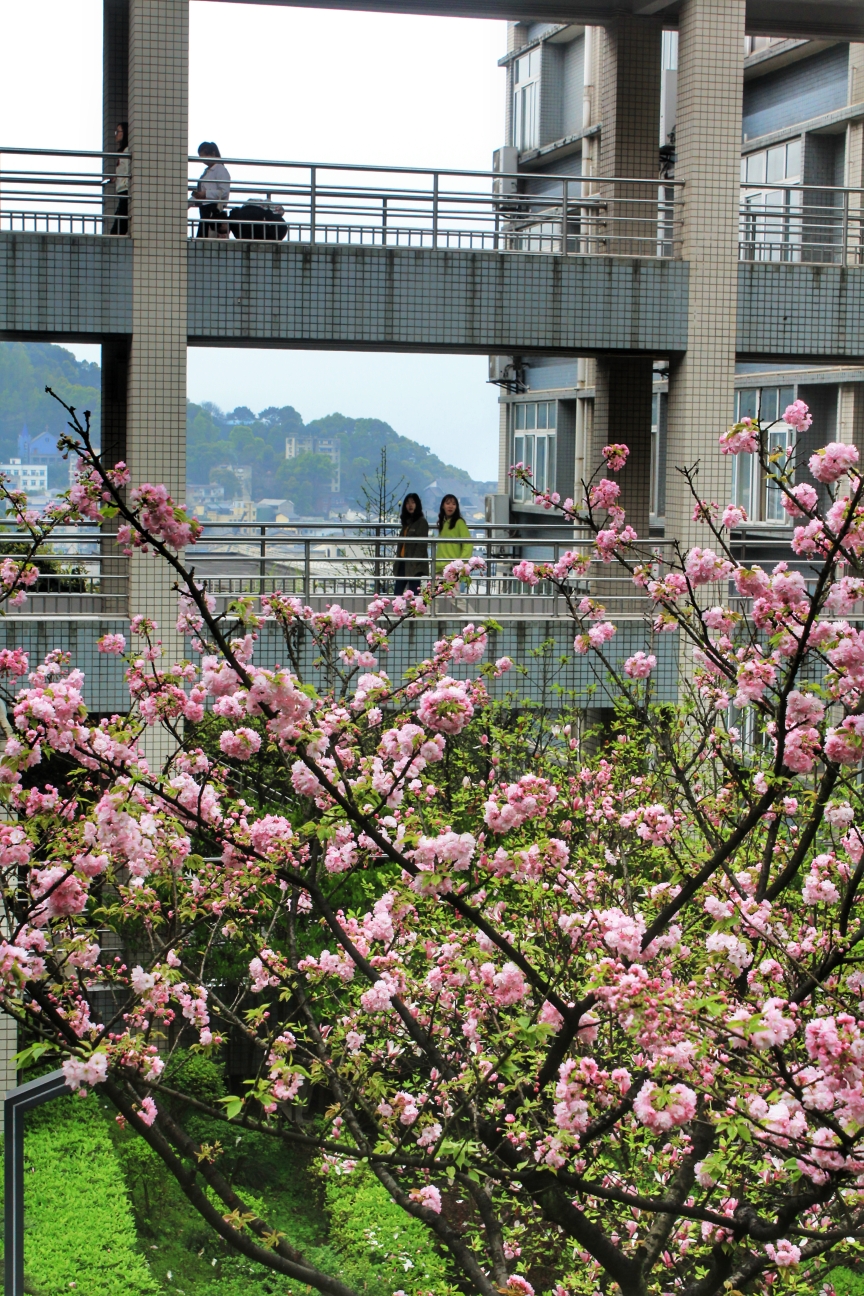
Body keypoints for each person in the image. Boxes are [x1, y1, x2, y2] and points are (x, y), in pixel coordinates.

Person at [190, 142, 230, 239]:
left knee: (207, 240)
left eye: (205, 156)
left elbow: (224, 191)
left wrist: (205, 194)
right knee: (202, 239)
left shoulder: (220, 169)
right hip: (205, 210)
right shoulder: (207, 171)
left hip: (214, 210)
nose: (204, 160)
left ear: (213, 153)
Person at [393, 493, 428, 596]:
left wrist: (414, 562)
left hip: (414, 565)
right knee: (397, 593)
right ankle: (398, 611)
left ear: (417, 504)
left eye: (413, 502)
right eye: (407, 503)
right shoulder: (406, 522)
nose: (410, 505)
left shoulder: (421, 522)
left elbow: (421, 546)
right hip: (402, 562)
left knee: (414, 594)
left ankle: (414, 612)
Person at [435, 494, 473, 578]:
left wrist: (460, 564)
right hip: (439, 567)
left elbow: (468, 544)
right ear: (442, 506)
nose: (450, 506)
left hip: (452, 568)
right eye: (448, 503)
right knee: (436, 590)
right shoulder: (443, 522)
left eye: (454, 504)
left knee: (452, 591)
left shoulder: (459, 522)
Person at [108, 121, 129, 235]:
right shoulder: (123, 151)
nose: (116, 134)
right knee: (120, 223)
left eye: (118, 131)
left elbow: (129, 170)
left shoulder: (127, 151)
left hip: (125, 191)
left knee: (118, 228)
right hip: (122, 191)